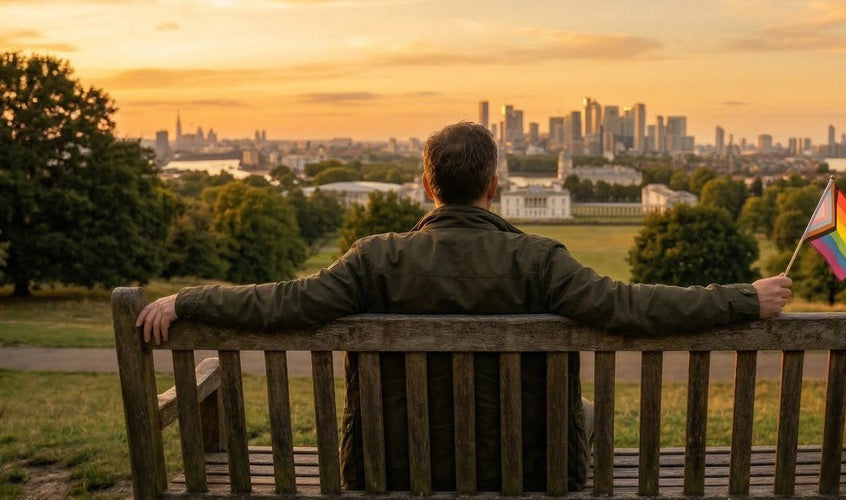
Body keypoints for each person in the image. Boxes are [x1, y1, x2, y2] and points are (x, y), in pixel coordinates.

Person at [137, 121, 792, 492]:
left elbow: (284, 303)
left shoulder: (376, 259)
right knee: (582, 411)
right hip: (534, 470)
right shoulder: (538, 261)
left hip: (389, 467)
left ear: (428, 186)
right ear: (494, 186)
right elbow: (630, 306)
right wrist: (744, 297)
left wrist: (186, 298)